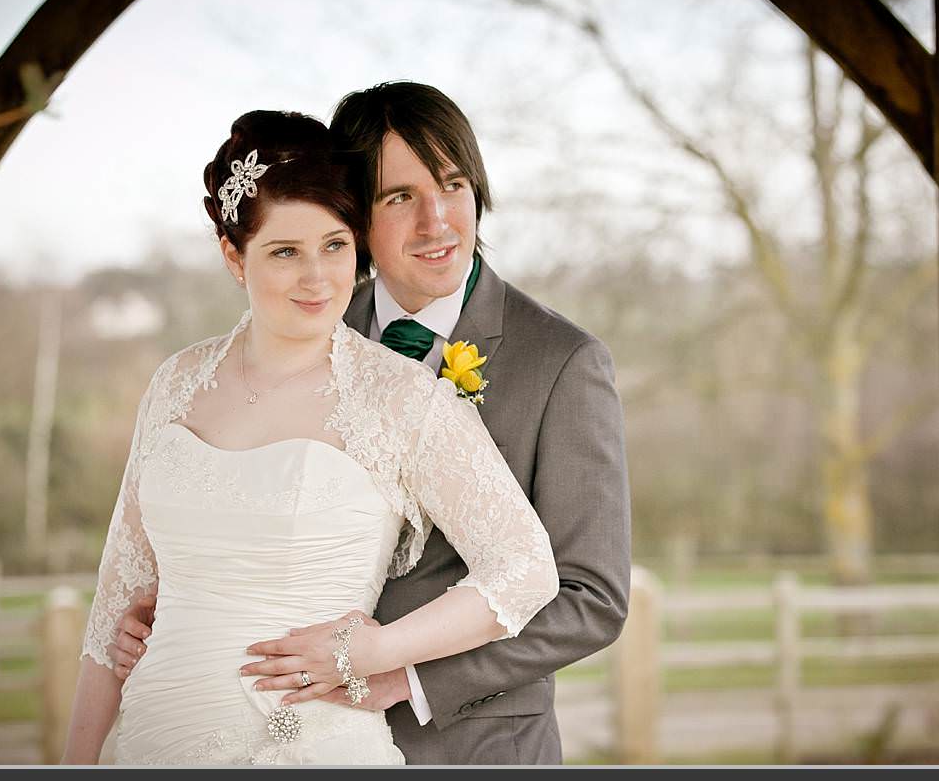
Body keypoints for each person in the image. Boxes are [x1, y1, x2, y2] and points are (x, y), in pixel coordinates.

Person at [102, 83, 635, 765]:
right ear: (354, 212)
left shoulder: (561, 361)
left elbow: (590, 598)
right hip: (291, 734)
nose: (437, 221)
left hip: (475, 748)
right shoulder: (309, 323)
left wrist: (405, 674)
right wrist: (168, 608)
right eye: (399, 198)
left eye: (453, 184)